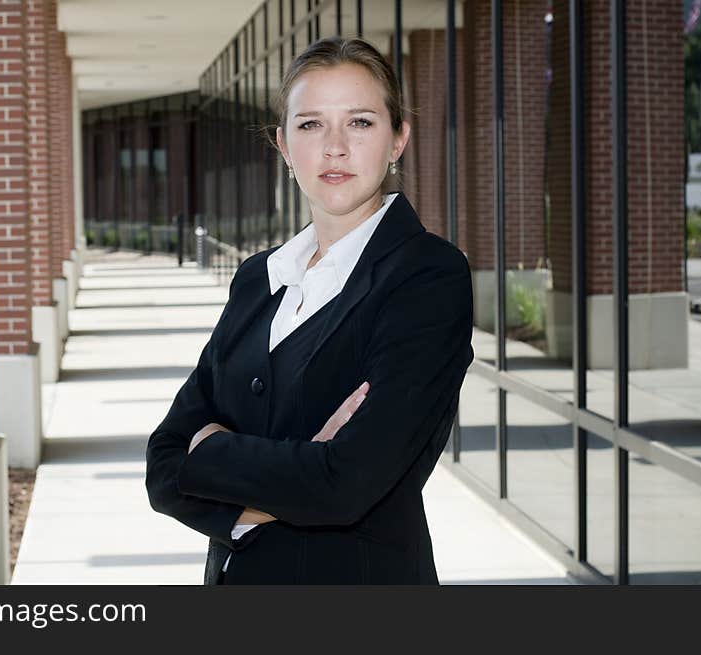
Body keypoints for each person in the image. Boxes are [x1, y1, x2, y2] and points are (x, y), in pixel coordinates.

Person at [145, 36, 474, 585]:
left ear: (398, 140)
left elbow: (344, 486)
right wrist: (294, 472)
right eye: (310, 124)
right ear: (282, 144)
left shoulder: (428, 278)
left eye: (361, 122)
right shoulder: (258, 279)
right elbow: (163, 465)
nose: (335, 147)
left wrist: (211, 454)